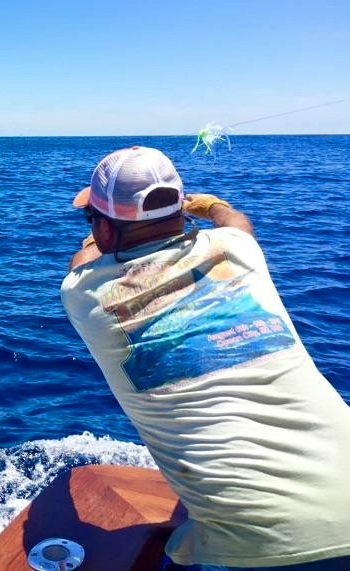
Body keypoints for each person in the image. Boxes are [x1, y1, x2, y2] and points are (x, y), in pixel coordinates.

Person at [60, 146, 350, 570]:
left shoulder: (85, 295)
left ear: (104, 230)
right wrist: (211, 205)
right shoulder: (239, 250)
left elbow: (80, 265)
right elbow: (237, 223)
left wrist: (97, 237)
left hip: (263, 548)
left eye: (92, 218)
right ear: (181, 209)